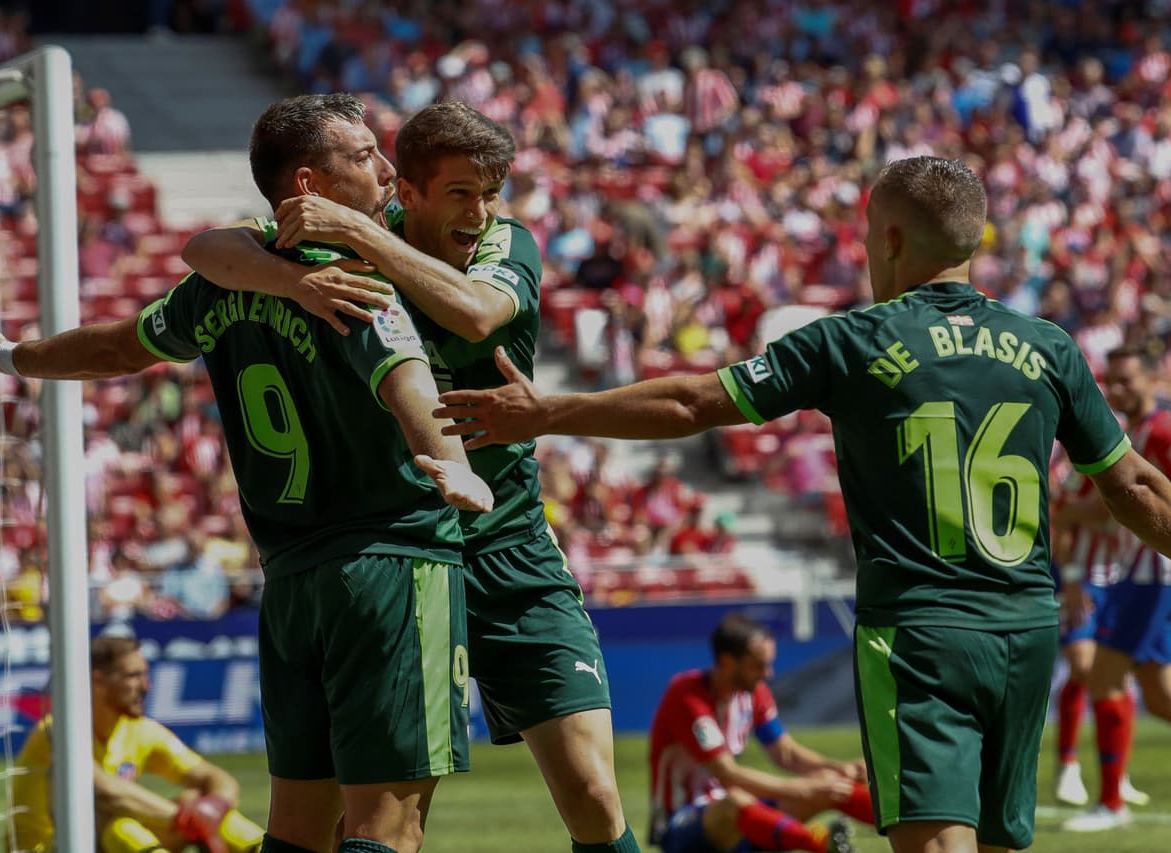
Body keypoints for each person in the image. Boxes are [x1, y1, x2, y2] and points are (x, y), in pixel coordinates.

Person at [432, 155, 1171, 853]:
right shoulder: (1048, 346)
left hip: (920, 634)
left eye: (867, 234)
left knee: (939, 842)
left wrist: (550, 412)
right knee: (996, 842)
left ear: (888, 239)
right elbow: (1134, 486)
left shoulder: (855, 341)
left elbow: (693, 402)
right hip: (1025, 629)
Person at [0, 93, 495, 853]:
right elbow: (407, 377)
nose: (386, 168)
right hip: (391, 564)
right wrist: (454, 463)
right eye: (363, 156)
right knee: (388, 826)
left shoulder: (222, 283)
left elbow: (117, 346)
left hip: (292, 583)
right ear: (310, 185)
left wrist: (8, 354)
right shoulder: (350, 276)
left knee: (297, 830)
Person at [182, 101, 639, 853]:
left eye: (490, 192)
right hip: (405, 546)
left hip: (507, 546)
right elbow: (207, 248)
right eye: (461, 193)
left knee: (593, 793)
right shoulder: (348, 237)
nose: (481, 212)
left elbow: (477, 314)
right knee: (355, 817)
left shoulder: (501, 243)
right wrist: (291, 281)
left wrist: (359, 234)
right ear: (411, 192)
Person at [9, 634, 265, 853]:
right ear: (97, 682)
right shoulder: (57, 731)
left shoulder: (140, 730)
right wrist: (189, 818)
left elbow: (219, 779)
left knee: (200, 802)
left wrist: (212, 808)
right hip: (48, 848)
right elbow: (105, 791)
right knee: (112, 820)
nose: (146, 686)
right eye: (133, 676)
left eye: (145, 674)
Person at [1061, 343, 1171, 831]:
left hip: (1152, 573)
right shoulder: (1137, 432)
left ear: (1153, 380)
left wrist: (1068, 510)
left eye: (1127, 380)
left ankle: (1110, 804)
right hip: (1138, 570)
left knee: (1103, 678)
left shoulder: (1163, 430)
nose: (1118, 389)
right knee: (1159, 696)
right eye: (1112, 381)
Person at [648, 613, 864, 853]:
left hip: (741, 816)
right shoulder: (686, 695)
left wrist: (841, 769)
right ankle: (821, 844)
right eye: (758, 665)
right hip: (680, 823)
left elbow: (786, 753)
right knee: (736, 800)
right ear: (727, 661)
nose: (768, 673)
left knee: (828, 781)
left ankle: (897, 826)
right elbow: (727, 774)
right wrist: (805, 788)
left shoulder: (754, 693)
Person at [1049, 467, 1146, 809]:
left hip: (1122, 579)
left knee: (1118, 676)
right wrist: (1071, 579)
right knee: (1083, 666)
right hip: (1084, 580)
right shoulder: (1077, 469)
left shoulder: (1128, 463)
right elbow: (1065, 517)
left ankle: (1118, 775)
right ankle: (1068, 763)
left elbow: (1097, 514)